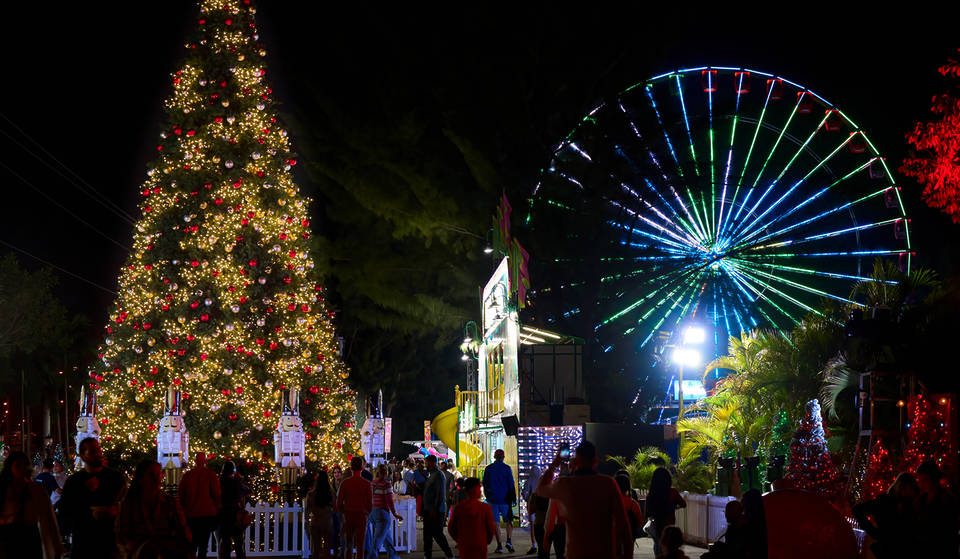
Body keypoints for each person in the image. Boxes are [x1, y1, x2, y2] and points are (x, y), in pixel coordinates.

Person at [536, 440, 632, 559]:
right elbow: (624, 526)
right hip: (604, 553)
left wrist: (555, 464)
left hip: (576, 554)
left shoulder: (565, 484)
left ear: (575, 461)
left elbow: (540, 489)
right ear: (595, 461)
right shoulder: (608, 484)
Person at [60, 437, 126, 559]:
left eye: (98, 449)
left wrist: (114, 511)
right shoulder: (74, 482)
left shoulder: (115, 478)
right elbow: (65, 513)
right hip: (83, 544)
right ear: (82, 456)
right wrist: (88, 513)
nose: (98, 454)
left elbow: (126, 505)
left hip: (110, 544)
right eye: (92, 452)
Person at [116, 459, 190, 559]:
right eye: (151, 474)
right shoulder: (129, 504)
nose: (156, 478)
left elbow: (183, 530)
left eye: (158, 474)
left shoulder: (170, 502)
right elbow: (122, 535)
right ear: (141, 478)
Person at [0, 451, 64, 559]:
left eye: (24, 464)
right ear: (10, 467)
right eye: (18, 465)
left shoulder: (35, 489)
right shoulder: (4, 488)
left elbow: (48, 519)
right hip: (7, 538)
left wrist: (55, 547)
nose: (22, 468)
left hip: (29, 538)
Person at [180, 452, 221, 559]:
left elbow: (181, 495)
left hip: (191, 514)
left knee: (192, 544)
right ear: (205, 461)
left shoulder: (187, 476)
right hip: (206, 514)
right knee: (203, 545)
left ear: (195, 461)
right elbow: (216, 494)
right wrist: (217, 508)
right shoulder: (210, 474)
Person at [913, 460, 958, 557]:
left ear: (934, 479)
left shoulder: (946, 500)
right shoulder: (920, 500)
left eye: (925, 480)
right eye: (919, 480)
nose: (921, 484)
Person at [448, 477, 496, 559]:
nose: (480, 491)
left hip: (465, 545)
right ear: (476, 490)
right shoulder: (485, 508)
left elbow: (451, 528)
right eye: (479, 488)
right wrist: (486, 540)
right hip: (480, 545)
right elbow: (491, 528)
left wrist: (459, 540)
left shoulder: (459, 508)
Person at [336, 457, 372, 559]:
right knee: (360, 546)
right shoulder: (366, 484)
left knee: (348, 545)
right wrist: (366, 514)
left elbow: (338, 503)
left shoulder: (345, 483)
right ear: (362, 468)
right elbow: (370, 505)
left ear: (351, 468)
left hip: (348, 516)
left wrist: (344, 512)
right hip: (361, 516)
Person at [644, 467, 686, 557]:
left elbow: (647, 513)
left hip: (656, 526)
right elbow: (683, 504)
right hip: (669, 526)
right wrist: (674, 507)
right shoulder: (673, 492)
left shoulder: (651, 495)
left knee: (658, 547)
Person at [482, 449, 515, 553]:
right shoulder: (507, 468)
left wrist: (488, 496)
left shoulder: (488, 468)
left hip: (492, 500)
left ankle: (499, 546)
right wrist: (513, 498)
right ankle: (509, 541)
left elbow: (485, 484)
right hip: (505, 500)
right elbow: (511, 484)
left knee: (496, 523)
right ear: (503, 457)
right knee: (508, 520)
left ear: (494, 457)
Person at [422, 455, 454, 559]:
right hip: (428, 509)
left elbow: (439, 494)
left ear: (432, 463)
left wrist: (434, 509)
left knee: (437, 534)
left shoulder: (438, 475)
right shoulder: (431, 474)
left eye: (426, 463)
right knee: (427, 534)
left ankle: (449, 555)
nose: (425, 465)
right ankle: (427, 555)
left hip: (436, 510)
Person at [367, 464, 402, 559]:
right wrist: (395, 513)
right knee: (377, 541)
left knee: (386, 536)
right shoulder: (386, 484)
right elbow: (389, 500)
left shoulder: (372, 483)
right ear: (386, 473)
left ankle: (393, 556)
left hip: (373, 512)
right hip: (382, 514)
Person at [217, 460, 250, 559]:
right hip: (235, 514)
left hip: (223, 514)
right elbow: (247, 491)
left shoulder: (219, 482)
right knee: (238, 542)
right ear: (233, 470)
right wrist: (239, 479)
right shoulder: (236, 482)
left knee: (225, 542)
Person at [307, 470, 335, 558]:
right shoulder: (331, 493)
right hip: (327, 521)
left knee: (316, 548)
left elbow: (308, 509)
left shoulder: (311, 494)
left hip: (315, 521)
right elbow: (335, 507)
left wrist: (307, 522)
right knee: (327, 548)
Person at [615, 474, 643, 552]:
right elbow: (640, 522)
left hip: (614, 536)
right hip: (629, 535)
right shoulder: (633, 504)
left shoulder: (610, 502)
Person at [522, 465, 542, 555]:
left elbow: (524, 493)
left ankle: (534, 545)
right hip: (542, 506)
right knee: (542, 525)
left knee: (532, 526)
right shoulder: (542, 480)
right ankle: (542, 544)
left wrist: (528, 500)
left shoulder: (529, 481)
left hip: (532, 505)